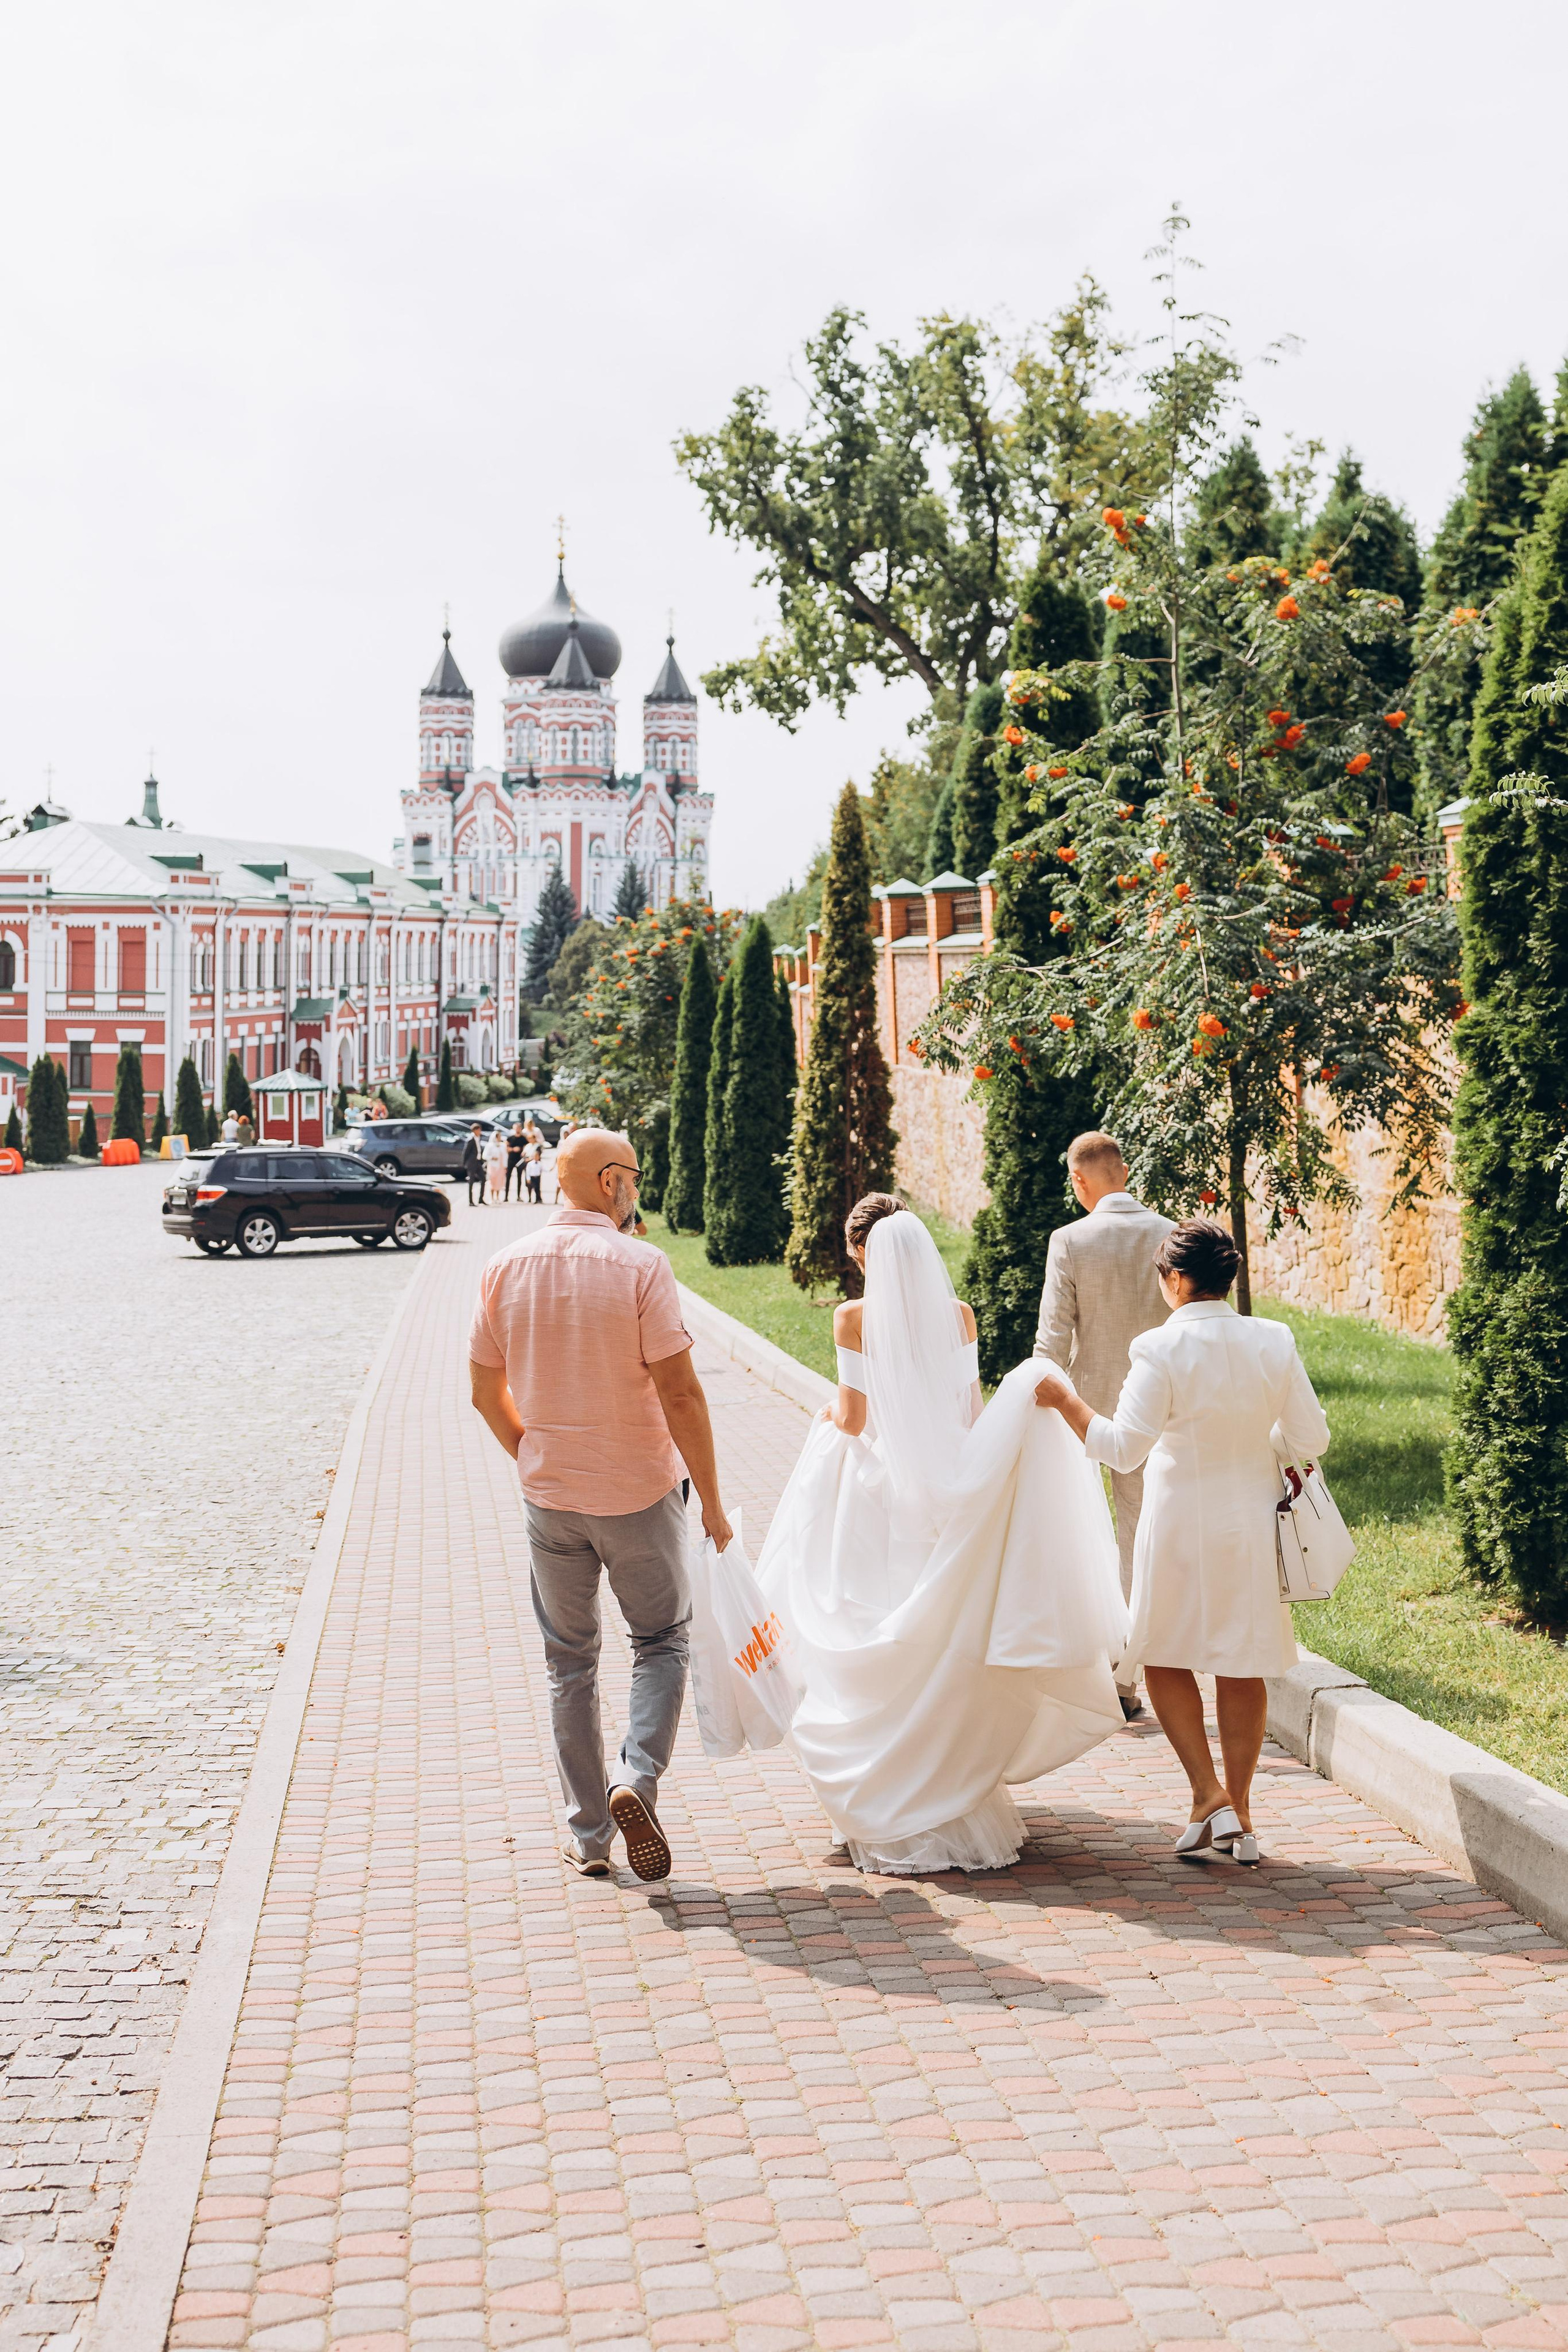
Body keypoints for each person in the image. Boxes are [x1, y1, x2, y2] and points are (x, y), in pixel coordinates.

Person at [756, 1195, 1126, 1876]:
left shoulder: (851, 1318)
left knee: (868, 1625)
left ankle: (885, 1790)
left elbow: (853, 1415)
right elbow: (968, 1410)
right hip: (949, 1487)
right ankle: (948, 1786)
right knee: (939, 1636)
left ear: (865, 1253)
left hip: (876, 1492)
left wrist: (822, 1415)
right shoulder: (958, 1316)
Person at [469, 1127, 733, 1882]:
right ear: (612, 1181)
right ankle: (636, 1779)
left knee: (568, 1664)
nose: (639, 1188)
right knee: (661, 1641)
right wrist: (711, 1500)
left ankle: (588, 1837)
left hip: (550, 1499)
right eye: (637, 1175)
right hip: (638, 1493)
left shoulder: (503, 1266)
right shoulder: (641, 1265)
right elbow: (680, 1392)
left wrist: (533, 1456)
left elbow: (485, 1394)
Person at [1033, 1216, 1331, 1868]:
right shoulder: (1273, 1339)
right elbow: (1311, 1440)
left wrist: (1063, 1399)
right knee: (1240, 1660)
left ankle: (1205, 1793)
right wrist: (1254, 1446)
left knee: (1164, 1654)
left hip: (1176, 1525)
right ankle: (1240, 1814)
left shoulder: (1158, 1350)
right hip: (1250, 1522)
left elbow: (1120, 1449)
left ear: (1172, 1280)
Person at [1034, 1131, 1174, 1721]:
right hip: (1162, 1407)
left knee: (1083, 1531)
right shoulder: (1171, 1233)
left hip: (1084, 1414)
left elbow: (1052, 1339)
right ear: (1123, 1170)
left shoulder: (1069, 1241)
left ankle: (1095, 1664)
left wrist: (1036, 1397)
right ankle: (1129, 1674)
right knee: (1140, 1535)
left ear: (1080, 1180)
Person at [462, 1123, 486, 1205]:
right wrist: (465, 1163)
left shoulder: (478, 1138)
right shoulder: (471, 1140)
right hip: (472, 1163)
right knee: (471, 1182)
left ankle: (481, 1199)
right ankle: (471, 1201)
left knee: (483, 1179)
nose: (480, 1132)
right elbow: (466, 1152)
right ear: (475, 1130)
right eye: (478, 1130)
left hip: (478, 1162)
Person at [505, 1118, 527, 1201]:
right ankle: (506, 1197)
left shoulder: (524, 1139)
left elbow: (526, 1149)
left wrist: (523, 1152)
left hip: (519, 1160)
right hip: (511, 1159)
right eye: (516, 1128)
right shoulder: (510, 1138)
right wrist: (513, 1149)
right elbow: (506, 1148)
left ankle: (518, 1196)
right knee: (508, 1178)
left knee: (519, 1178)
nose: (517, 1129)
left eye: (519, 1128)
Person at [484, 1125, 507, 1203]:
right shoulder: (490, 1146)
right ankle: (492, 1198)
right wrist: (492, 1158)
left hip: (500, 1167)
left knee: (499, 1182)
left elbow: (505, 1156)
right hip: (493, 1166)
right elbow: (485, 1156)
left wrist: (505, 1166)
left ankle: (497, 1198)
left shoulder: (502, 1146)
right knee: (492, 1182)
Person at [524, 1137, 544, 1204]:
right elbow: (528, 1171)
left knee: (537, 1189)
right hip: (531, 1177)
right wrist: (528, 1178)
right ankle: (530, 1198)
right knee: (530, 1187)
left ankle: (538, 1199)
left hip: (537, 1177)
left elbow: (543, 1169)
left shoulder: (540, 1163)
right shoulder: (530, 1164)